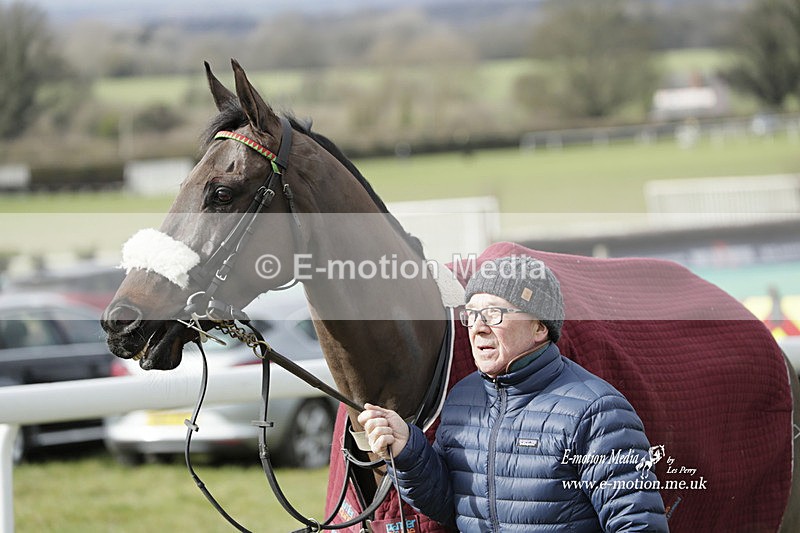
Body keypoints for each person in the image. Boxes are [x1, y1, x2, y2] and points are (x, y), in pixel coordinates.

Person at [359, 255, 668, 532]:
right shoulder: (462, 399)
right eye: (471, 314)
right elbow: (449, 505)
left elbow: (638, 525)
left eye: (494, 313)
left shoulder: (598, 411)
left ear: (539, 327)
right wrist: (408, 451)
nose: (477, 328)